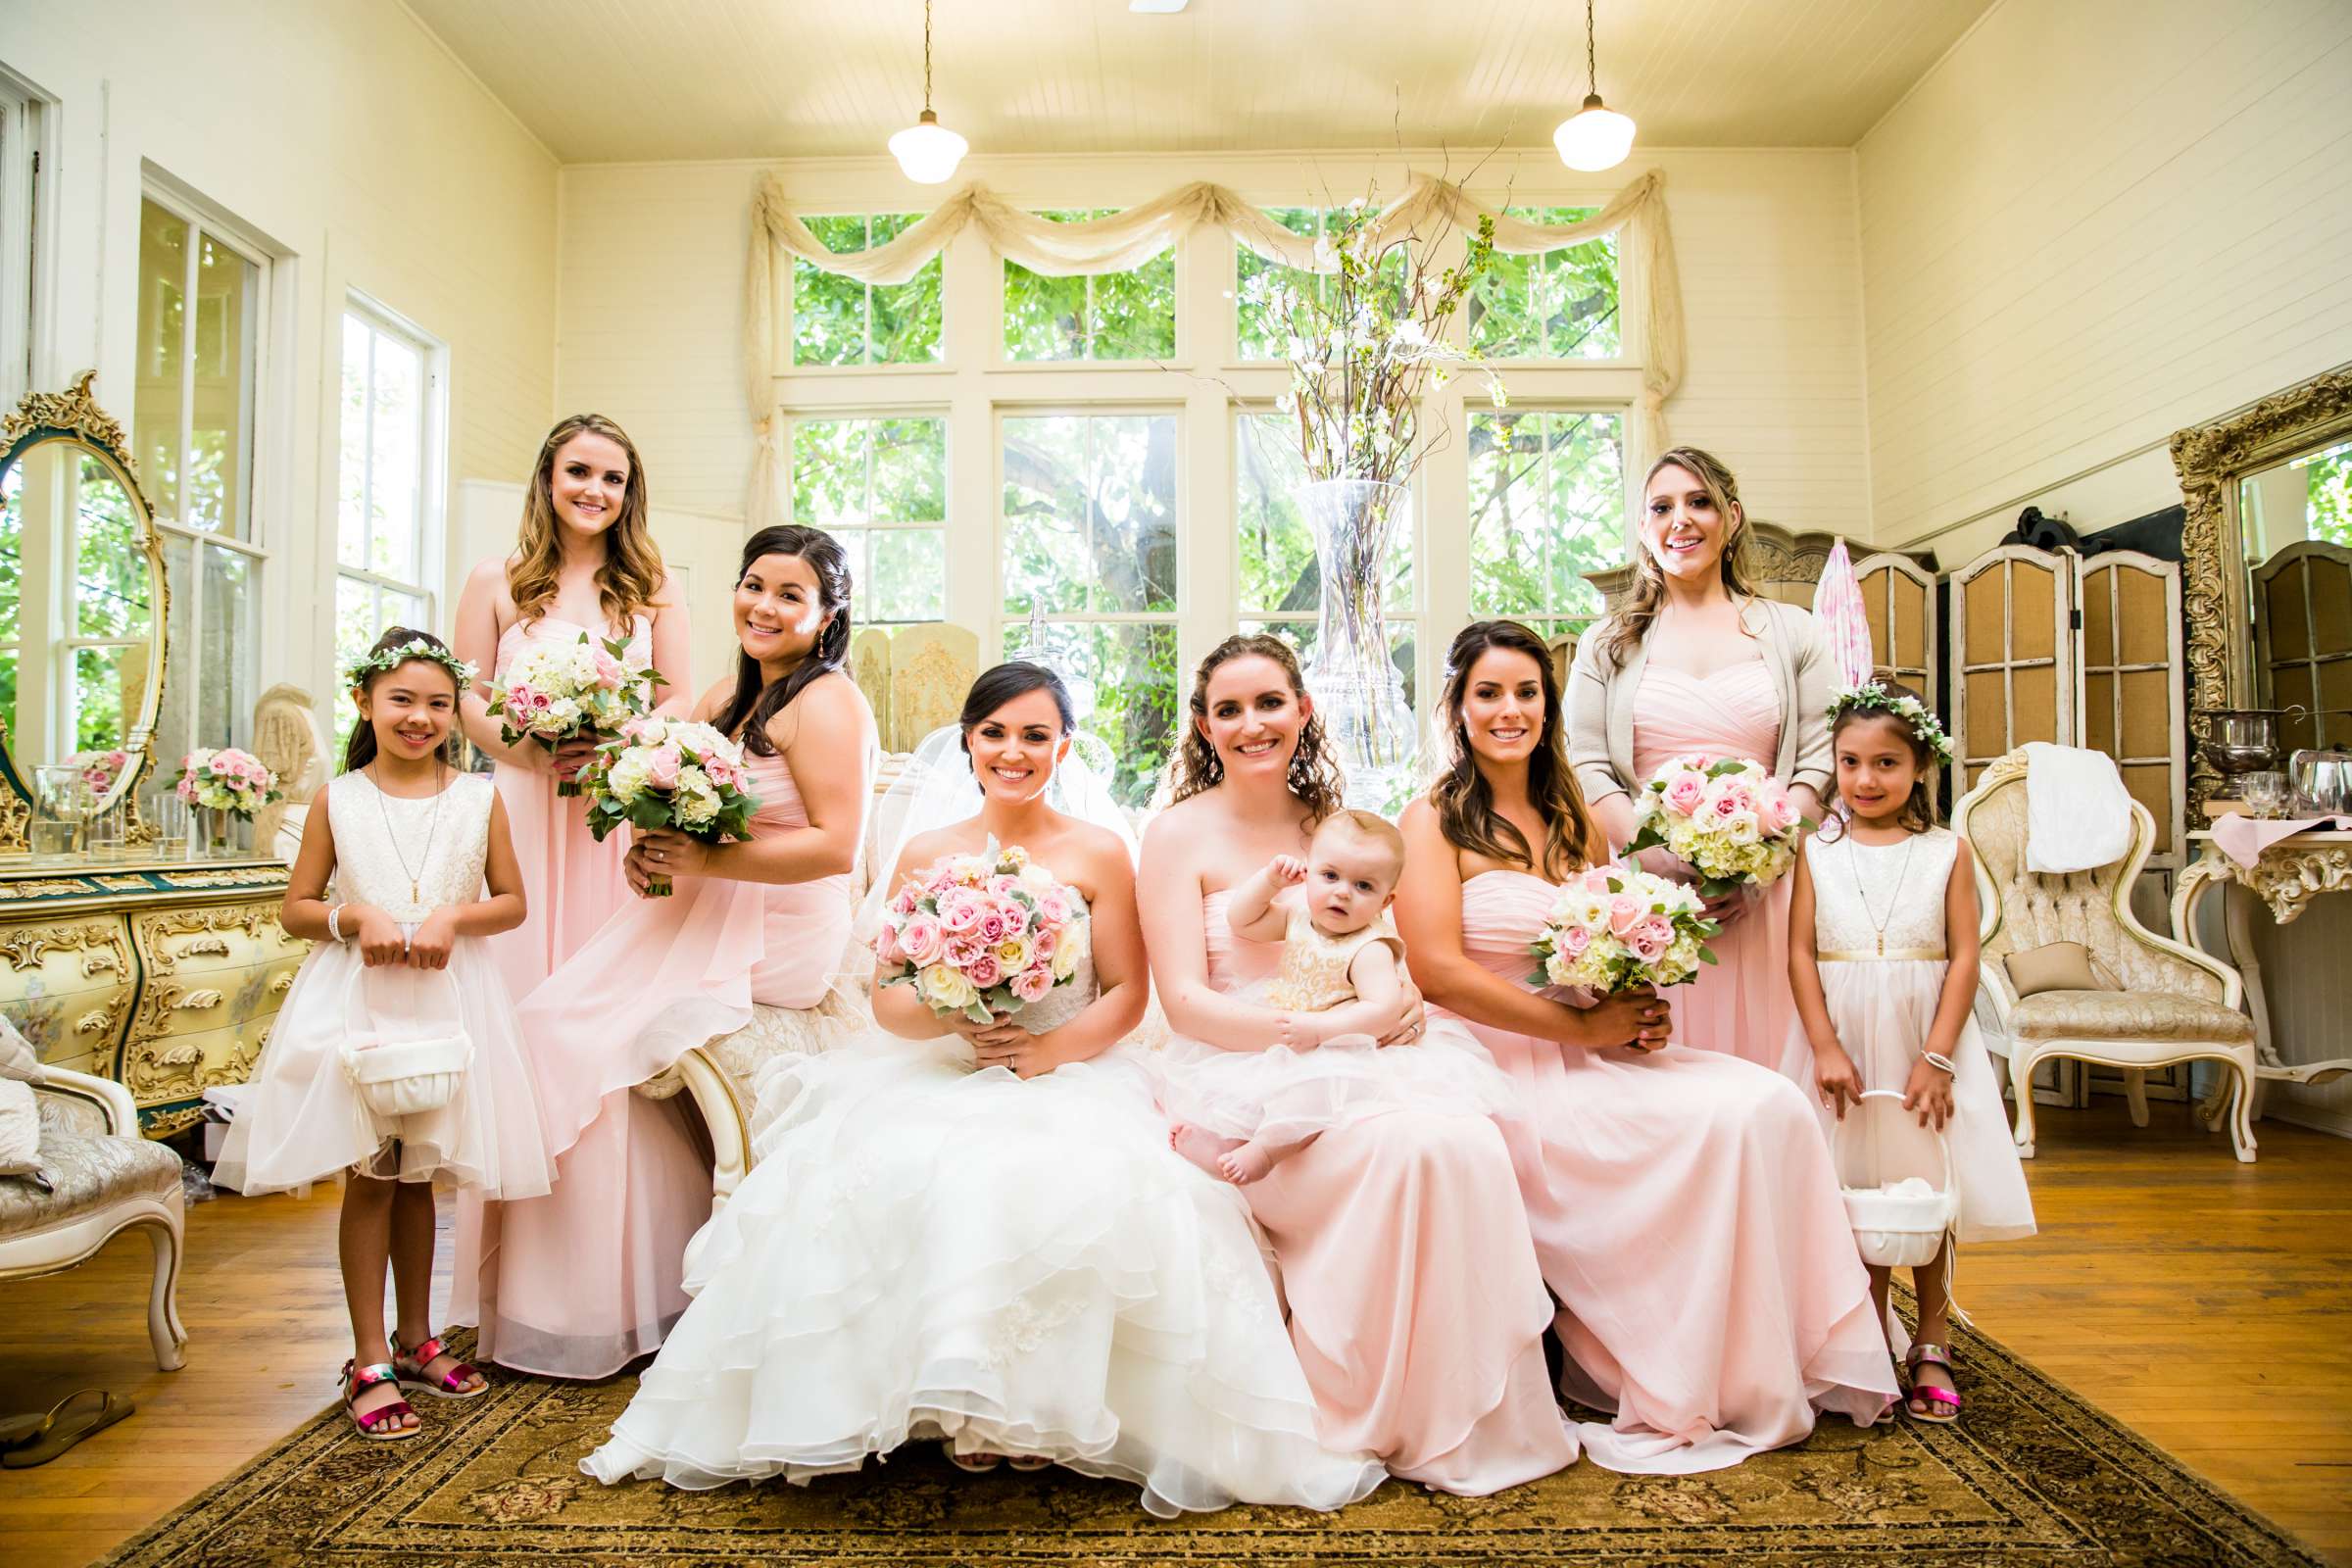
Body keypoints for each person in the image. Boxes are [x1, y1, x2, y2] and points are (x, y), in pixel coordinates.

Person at [583, 662, 1385, 1518]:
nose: (1014, 751)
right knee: (897, 1172)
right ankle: (937, 1397)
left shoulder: (1100, 851)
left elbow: (1126, 994)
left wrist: (1046, 1051)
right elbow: (888, 1000)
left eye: (1035, 735)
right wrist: (953, 1017)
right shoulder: (929, 854)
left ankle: (1030, 1408)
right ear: (968, 742)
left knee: (1073, 1181)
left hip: (1072, 1069)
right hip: (941, 1067)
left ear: (1063, 747)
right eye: (995, 732)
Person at [1399, 619, 1899, 1474]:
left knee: (1765, 1105)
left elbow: (1611, 950)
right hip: (1484, 1062)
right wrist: (1581, 1029)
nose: (1509, 709)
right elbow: (1438, 973)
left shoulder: (1574, 822)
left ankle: (1752, 1357)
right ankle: (1668, 1360)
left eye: (1526, 691)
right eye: (1489, 692)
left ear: (1548, 706)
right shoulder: (1431, 820)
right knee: (1686, 1133)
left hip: (1588, 1048)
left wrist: (1638, 1010)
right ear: (1458, 705)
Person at [1138, 633, 1579, 1496]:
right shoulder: (1175, 835)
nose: (1252, 723)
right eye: (1229, 709)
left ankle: (1454, 1411)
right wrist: (1310, 1037)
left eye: (1271, 703)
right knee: (1401, 1156)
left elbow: (1386, 947)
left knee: (1460, 1145)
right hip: (1243, 1064)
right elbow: (1186, 1002)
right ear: (1202, 726)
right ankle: (1355, 1405)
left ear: (1304, 711)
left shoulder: (1338, 826)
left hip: (1364, 1055)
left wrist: (1398, 1004)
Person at [454, 526, 871, 1378]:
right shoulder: (730, 694)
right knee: (543, 1023)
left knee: (579, 1035)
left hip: (781, 928)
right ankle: (586, 1297)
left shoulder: (827, 703)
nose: (764, 605)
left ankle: (624, 1301)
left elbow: (835, 846)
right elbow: (682, 798)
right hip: (711, 906)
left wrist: (708, 858)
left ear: (828, 616)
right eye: (754, 584)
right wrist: (650, 837)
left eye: (791, 595)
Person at [215, 628, 548, 1438]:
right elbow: (296, 909)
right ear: (365, 702)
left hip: (449, 1002)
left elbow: (511, 901)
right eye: (402, 699)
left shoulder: (477, 797)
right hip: (360, 1002)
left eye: (439, 703)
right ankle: (366, 1354)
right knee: (371, 1175)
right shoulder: (339, 798)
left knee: (419, 1177)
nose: (421, 717)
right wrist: (352, 913)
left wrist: (451, 915)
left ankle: (416, 1338)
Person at [1788, 681, 2036, 1425]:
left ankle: (1932, 1334)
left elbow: (1965, 956)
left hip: (1925, 1037)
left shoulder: (1946, 851)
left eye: (1887, 763)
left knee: (1926, 1183)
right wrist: (1825, 1045)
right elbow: (1801, 955)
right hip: (1843, 1045)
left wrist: (1937, 1056)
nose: (1866, 780)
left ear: (1921, 766)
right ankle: (1866, 1335)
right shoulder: (1815, 852)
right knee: (1852, 1186)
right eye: (1852, 762)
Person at [1567, 446, 1830, 1067]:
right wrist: (1652, 854)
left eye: (1699, 502)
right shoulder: (1606, 642)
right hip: (1647, 895)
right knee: (1661, 1067)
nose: (1680, 519)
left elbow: (1819, 758)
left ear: (1732, 518)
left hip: (1766, 900)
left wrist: (1757, 868)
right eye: (1662, 506)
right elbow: (1588, 761)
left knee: (1769, 1061)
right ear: (1643, 528)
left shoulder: (1794, 630)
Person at [451, 413, 690, 1001]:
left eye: (613, 479)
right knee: (515, 953)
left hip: (612, 803)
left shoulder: (654, 586)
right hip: (522, 798)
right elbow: (465, 696)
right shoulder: (494, 581)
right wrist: (530, 755)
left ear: (629, 493)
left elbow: (679, 696)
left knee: (604, 963)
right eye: (578, 472)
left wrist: (621, 749)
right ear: (547, 480)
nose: (595, 490)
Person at [1162, 809, 1515, 1187]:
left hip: (1344, 1045)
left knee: (1312, 1094)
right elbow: (1242, 920)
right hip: (1295, 1023)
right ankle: (1226, 1136)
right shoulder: (1300, 918)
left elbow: (1381, 1010)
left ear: (1385, 901)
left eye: (1364, 886)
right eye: (1330, 876)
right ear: (1309, 872)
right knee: (1253, 1080)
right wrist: (1269, 881)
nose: (1343, 892)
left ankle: (1266, 1151)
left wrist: (1319, 1030)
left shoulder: (1369, 947)